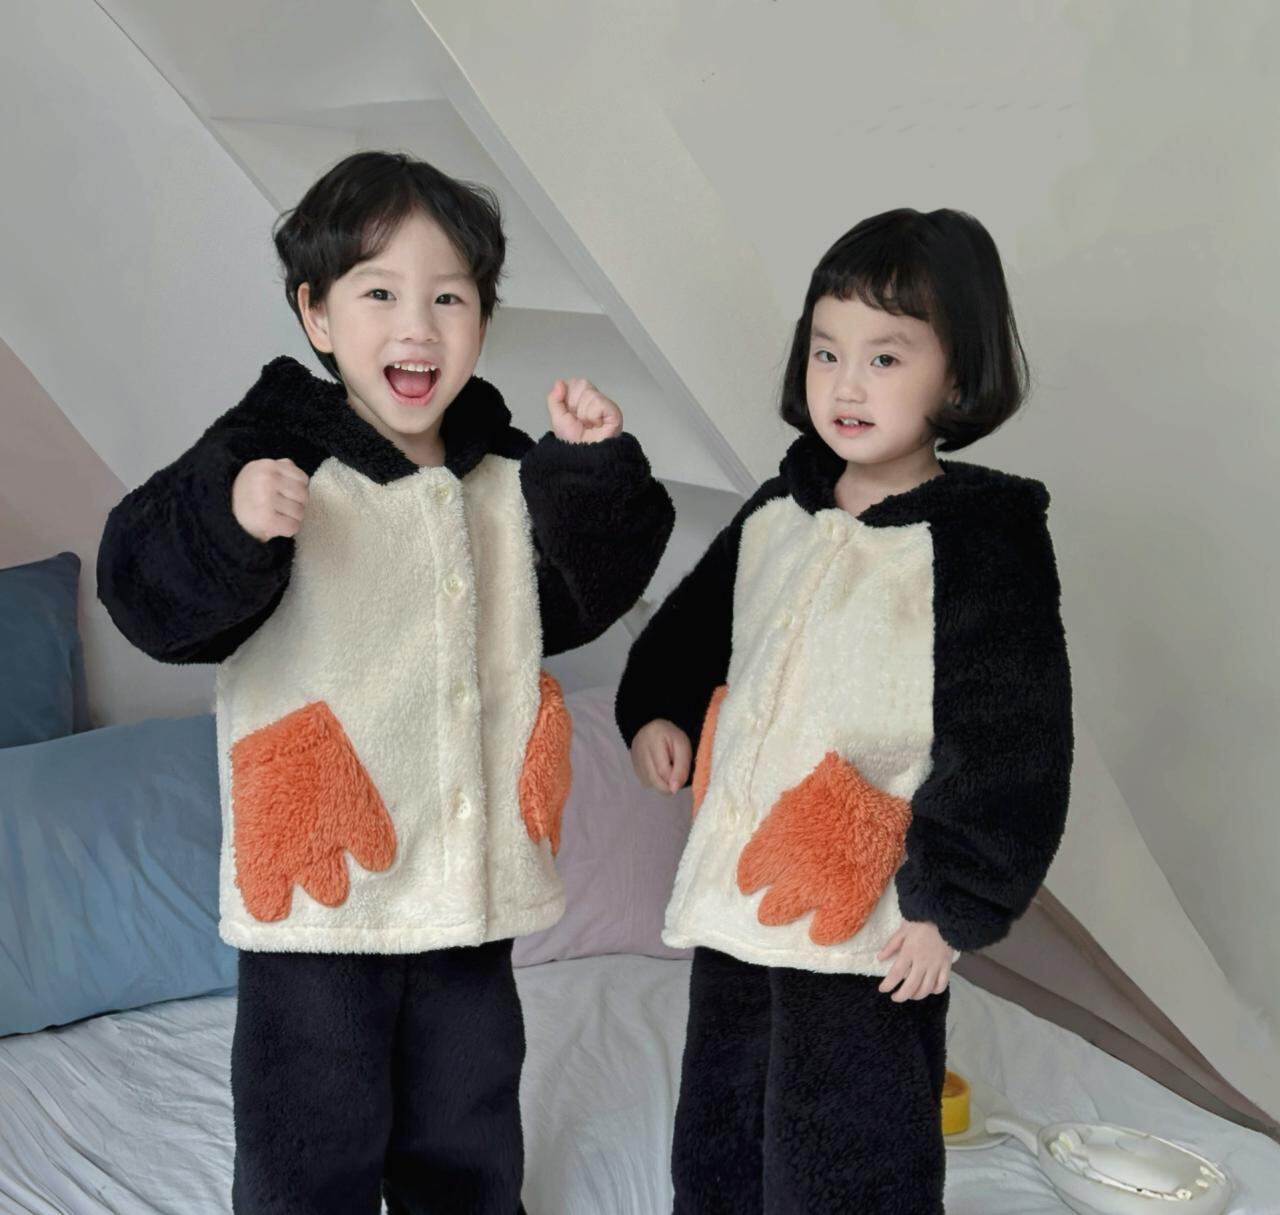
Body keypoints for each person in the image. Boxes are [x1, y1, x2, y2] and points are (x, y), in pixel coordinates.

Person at [98, 150, 674, 1215]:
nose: (418, 326)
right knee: (310, 1130)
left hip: (466, 875)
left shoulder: (503, 473)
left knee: (467, 1118)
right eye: (378, 294)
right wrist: (230, 522)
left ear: (483, 319)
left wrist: (591, 477)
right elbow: (143, 592)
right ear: (315, 314)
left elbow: (576, 599)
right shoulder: (271, 457)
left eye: (449, 298)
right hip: (324, 882)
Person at [616, 208, 1073, 1214]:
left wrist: (948, 906)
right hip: (743, 889)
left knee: (851, 1143)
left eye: (884, 357)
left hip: (873, 910)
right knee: (725, 1120)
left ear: (956, 377)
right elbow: (691, 633)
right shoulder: (777, 512)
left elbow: (1011, 743)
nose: (846, 385)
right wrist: (659, 711)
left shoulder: (977, 549)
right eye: (827, 352)